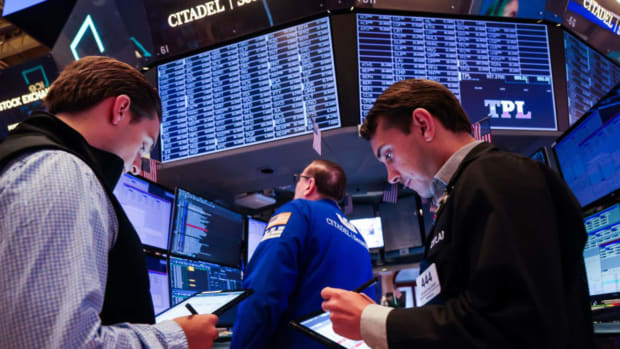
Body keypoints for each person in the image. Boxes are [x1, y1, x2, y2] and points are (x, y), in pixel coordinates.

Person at [321, 79, 594, 348]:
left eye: (388, 155)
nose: (390, 176)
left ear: (423, 125)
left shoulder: (498, 176)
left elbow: (509, 326)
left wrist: (377, 322)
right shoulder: (463, 191)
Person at [0, 56, 218, 348]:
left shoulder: (31, 161)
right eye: (143, 145)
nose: (134, 165)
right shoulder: (61, 170)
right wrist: (178, 338)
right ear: (121, 109)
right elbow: (56, 342)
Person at [230, 159, 375, 349]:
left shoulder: (298, 211)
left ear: (309, 184)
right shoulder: (359, 237)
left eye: (298, 180)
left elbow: (264, 291)